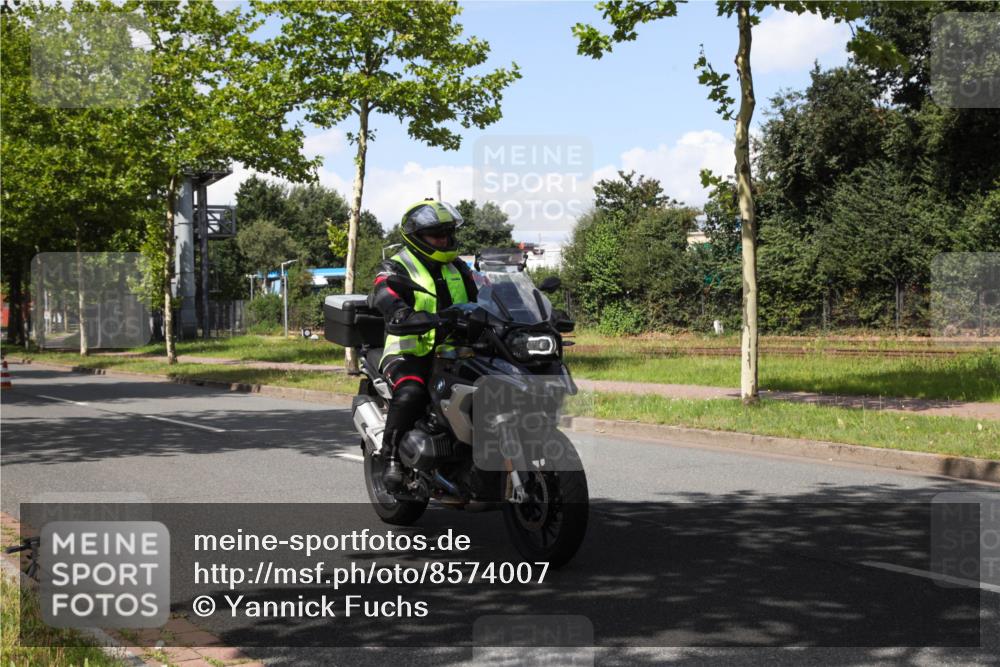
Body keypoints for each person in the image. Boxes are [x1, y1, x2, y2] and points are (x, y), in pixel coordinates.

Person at [368, 199, 478, 491]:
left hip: (458, 349)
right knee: (411, 392)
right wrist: (397, 310)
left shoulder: (460, 268)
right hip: (410, 349)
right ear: (417, 237)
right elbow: (383, 290)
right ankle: (390, 457)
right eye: (436, 234)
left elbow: (488, 293)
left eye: (447, 233)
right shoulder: (397, 265)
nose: (444, 239)